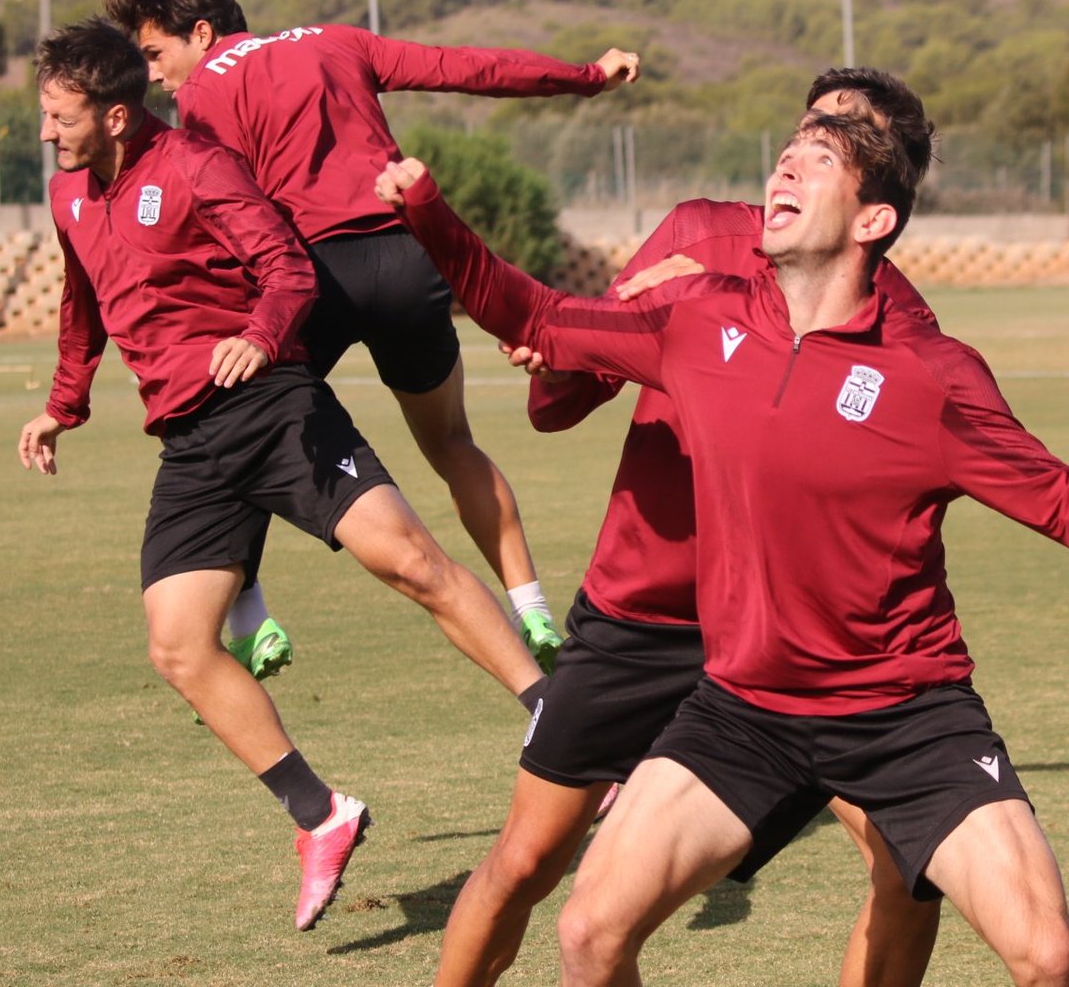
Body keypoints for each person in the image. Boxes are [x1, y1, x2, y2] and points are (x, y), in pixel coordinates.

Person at [374, 112, 1069, 986]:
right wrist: (429, 211)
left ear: (874, 220)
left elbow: (1057, 501)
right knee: (588, 932)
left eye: (818, 161)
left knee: (1047, 954)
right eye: (785, 155)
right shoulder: (699, 321)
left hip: (905, 716)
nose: (785, 171)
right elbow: (536, 316)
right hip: (745, 711)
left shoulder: (933, 374)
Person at [17, 17, 545, 933]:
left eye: (59, 117)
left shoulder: (196, 166)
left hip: (270, 408)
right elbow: (81, 307)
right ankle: (321, 814)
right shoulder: (70, 197)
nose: (45, 133)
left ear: (113, 115)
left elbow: (290, 269)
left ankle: (557, 719)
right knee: (178, 645)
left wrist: (260, 337)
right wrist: (63, 405)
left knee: (412, 564)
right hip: (191, 444)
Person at [104, 0, 641, 674]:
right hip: (406, 260)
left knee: (238, 422)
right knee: (451, 442)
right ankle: (533, 609)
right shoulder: (336, 40)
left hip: (311, 280)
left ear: (201, 33)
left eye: (154, 54)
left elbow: (227, 212)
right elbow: (465, 67)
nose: (154, 75)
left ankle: (250, 618)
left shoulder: (204, 90)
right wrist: (586, 75)